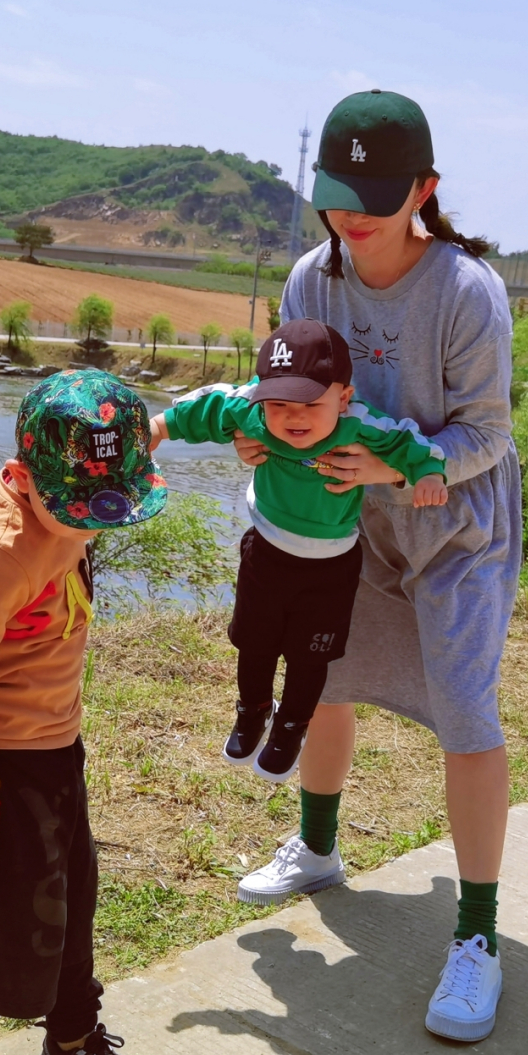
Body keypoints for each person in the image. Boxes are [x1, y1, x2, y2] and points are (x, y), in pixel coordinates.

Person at [232, 90, 521, 1044]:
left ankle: (476, 939)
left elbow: (486, 434)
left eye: (374, 194)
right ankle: (317, 847)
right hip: (345, 522)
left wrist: (398, 462)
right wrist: (263, 436)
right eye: (335, 192)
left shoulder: (465, 293)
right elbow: (285, 390)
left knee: (466, 715)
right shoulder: (312, 279)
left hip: (453, 529)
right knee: (325, 679)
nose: (350, 214)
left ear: (423, 192)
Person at [0, 369, 165, 1055]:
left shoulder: (83, 477)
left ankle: (71, 1040)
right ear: (22, 478)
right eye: (79, 511)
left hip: (58, 744)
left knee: (73, 899)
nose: (93, 523)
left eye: (107, 506)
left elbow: (141, 437)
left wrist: (223, 418)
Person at [147, 317, 448, 781]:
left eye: (311, 403)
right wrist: (161, 427)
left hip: (330, 569)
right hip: (267, 554)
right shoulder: (251, 410)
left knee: (311, 658)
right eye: (280, 403)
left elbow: (407, 440)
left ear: (344, 398)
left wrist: (427, 473)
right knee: (255, 644)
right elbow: (209, 408)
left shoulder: (358, 425)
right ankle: (252, 712)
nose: (294, 416)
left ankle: (291, 726)